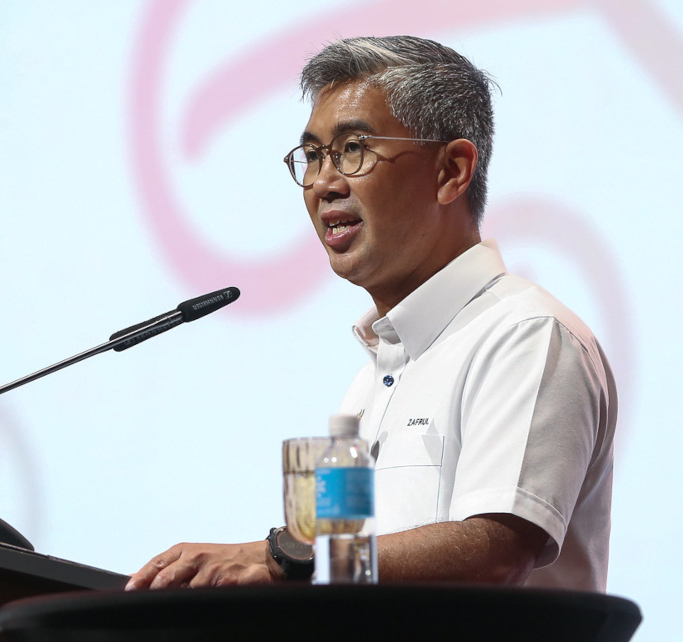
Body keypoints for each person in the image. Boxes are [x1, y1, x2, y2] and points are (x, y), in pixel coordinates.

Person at [125, 36, 616, 593]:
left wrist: (277, 559)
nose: (323, 183)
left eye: (354, 148)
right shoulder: (369, 383)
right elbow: (336, 567)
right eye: (313, 156)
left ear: (452, 171)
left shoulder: (526, 335)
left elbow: (494, 553)